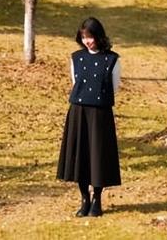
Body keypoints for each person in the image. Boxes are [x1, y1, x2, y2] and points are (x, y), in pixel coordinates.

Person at [56, 16, 121, 217]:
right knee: (81, 157)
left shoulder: (112, 59)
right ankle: (84, 198)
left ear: (99, 36)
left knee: (98, 158)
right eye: (84, 37)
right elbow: (75, 81)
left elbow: (115, 86)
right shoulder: (76, 58)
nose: (88, 41)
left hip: (100, 114)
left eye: (91, 37)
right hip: (78, 112)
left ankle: (97, 200)